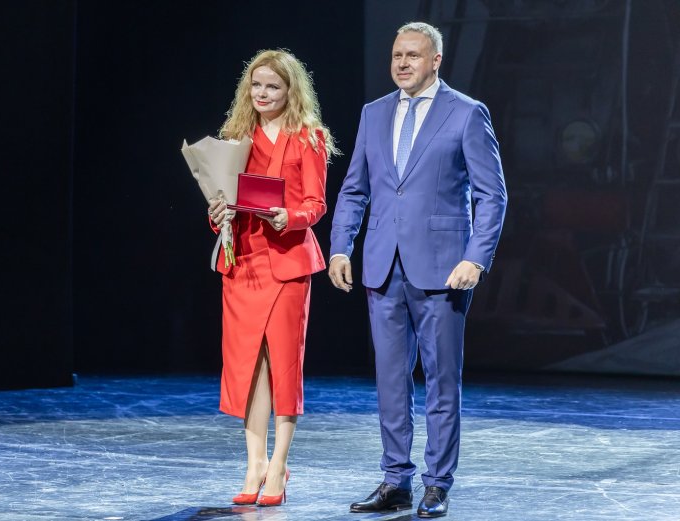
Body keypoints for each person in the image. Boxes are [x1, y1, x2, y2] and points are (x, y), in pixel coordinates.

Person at [328, 22, 507, 518]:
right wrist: (341, 247)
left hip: (443, 269)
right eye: (396, 55)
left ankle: (437, 484)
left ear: (435, 61)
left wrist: (475, 257)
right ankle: (395, 480)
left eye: (413, 55)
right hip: (382, 266)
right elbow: (355, 188)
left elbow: (492, 195)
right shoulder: (374, 113)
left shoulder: (467, 113)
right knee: (390, 381)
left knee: (441, 382)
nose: (402, 63)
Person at [208, 49, 338, 507]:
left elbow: (316, 204)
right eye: (257, 85)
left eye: (273, 86)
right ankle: (254, 463)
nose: (262, 94)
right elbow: (221, 201)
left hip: (286, 261)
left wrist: (291, 216)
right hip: (243, 261)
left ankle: (279, 463)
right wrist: (218, 213)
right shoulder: (235, 137)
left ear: (290, 90)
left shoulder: (309, 138)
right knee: (247, 364)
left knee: (282, 363)